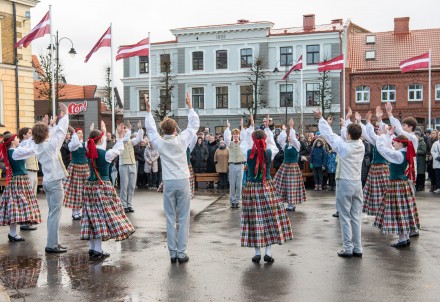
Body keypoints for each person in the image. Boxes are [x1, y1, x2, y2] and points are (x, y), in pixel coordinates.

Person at [144, 92, 199, 264]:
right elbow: (193, 126)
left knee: (170, 217)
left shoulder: (160, 142)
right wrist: (190, 107)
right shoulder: (181, 140)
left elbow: (151, 130)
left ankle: (173, 253)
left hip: (168, 181)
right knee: (183, 217)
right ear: (175, 129)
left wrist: (148, 112)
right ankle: (181, 253)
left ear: (164, 130)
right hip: (182, 180)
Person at [241, 115, 293, 263]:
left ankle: (257, 253)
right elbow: (273, 144)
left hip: (252, 188)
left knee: (255, 219)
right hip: (266, 187)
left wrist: (251, 126)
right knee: (269, 218)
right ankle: (268, 253)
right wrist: (268, 128)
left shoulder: (248, 152)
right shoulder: (269, 152)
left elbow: (244, 142)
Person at [314, 108, 364, 258]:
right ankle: (358, 247)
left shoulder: (344, 147)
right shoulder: (360, 145)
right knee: (355, 216)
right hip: (357, 182)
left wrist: (321, 119)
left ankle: (348, 248)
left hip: (345, 182)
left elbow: (330, 136)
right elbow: (348, 135)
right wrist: (349, 121)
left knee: (344, 216)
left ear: (348, 135)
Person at [81, 122, 135, 258]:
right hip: (101, 185)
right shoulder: (105, 154)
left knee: (91, 216)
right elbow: (119, 150)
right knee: (101, 216)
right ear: (100, 139)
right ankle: (98, 250)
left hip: (89, 186)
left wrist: (119, 136)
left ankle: (93, 248)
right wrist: (121, 137)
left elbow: (108, 148)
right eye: (103, 137)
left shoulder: (89, 150)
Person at [31, 103, 69, 253]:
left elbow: (53, 134)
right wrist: (65, 115)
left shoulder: (38, 145)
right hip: (53, 181)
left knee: (53, 213)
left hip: (48, 180)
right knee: (55, 214)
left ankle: (54, 242)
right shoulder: (50, 146)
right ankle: (52, 244)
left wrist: (48, 126)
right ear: (46, 133)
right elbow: (60, 133)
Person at [373, 132, 420, 248]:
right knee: (403, 211)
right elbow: (388, 150)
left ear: (400, 143)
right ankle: (405, 238)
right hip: (401, 184)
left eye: (395, 142)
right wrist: (387, 135)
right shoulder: (403, 153)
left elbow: (382, 149)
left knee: (398, 211)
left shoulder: (399, 155)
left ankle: (403, 239)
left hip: (397, 185)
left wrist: (381, 137)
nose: (393, 144)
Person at [385, 102, 419, 237]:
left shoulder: (412, 138)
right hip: (406, 174)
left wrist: (390, 114)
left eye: (404, 126)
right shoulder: (405, 143)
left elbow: (399, 131)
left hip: (408, 174)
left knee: (408, 203)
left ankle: (412, 228)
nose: (402, 128)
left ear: (410, 127)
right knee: (408, 203)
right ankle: (412, 228)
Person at [0, 133, 42, 242]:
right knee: (17, 206)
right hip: (19, 180)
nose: (18, 139)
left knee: (16, 206)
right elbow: (30, 151)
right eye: (17, 138)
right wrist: (36, 140)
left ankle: (13, 233)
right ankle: (13, 233)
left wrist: (32, 139)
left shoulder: (14, 151)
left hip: (19, 180)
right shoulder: (15, 152)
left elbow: (26, 146)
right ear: (13, 141)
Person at [273, 118, 306, 211]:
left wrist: (291, 127)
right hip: (285, 166)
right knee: (280, 184)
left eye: (291, 137)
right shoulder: (285, 146)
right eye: (289, 137)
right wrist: (284, 130)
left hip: (293, 167)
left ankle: (291, 204)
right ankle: (281, 201)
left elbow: (294, 139)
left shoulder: (297, 145)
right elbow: (280, 140)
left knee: (291, 185)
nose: (290, 138)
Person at [63, 126, 90, 220]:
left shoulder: (84, 144)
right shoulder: (72, 144)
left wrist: (91, 132)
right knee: (75, 191)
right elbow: (75, 143)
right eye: (79, 133)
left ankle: (80, 211)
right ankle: (75, 212)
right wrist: (74, 132)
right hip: (75, 168)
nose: (81, 134)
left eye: (81, 133)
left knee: (83, 190)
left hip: (85, 168)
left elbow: (92, 143)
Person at [119, 121, 144, 213]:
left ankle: (129, 204)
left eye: (126, 131)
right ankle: (123, 204)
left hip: (132, 164)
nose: (126, 133)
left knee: (132, 186)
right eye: (124, 131)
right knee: (124, 186)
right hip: (124, 164)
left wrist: (140, 129)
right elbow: (125, 139)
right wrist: (129, 129)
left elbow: (139, 139)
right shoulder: (121, 140)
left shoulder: (130, 141)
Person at [18, 127, 39, 231]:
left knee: (32, 197)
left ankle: (29, 219)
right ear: (24, 135)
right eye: (29, 133)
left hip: (34, 171)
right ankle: (24, 222)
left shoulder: (29, 144)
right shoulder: (23, 144)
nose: (31, 135)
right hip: (28, 171)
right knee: (27, 197)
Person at [224, 118, 249, 208]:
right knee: (232, 184)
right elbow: (226, 139)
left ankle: (237, 200)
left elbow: (245, 137)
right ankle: (232, 200)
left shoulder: (242, 143)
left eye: (236, 134)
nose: (235, 136)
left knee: (239, 184)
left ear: (239, 135)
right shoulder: (230, 143)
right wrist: (228, 128)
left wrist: (242, 126)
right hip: (232, 165)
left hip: (241, 165)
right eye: (234, 135)